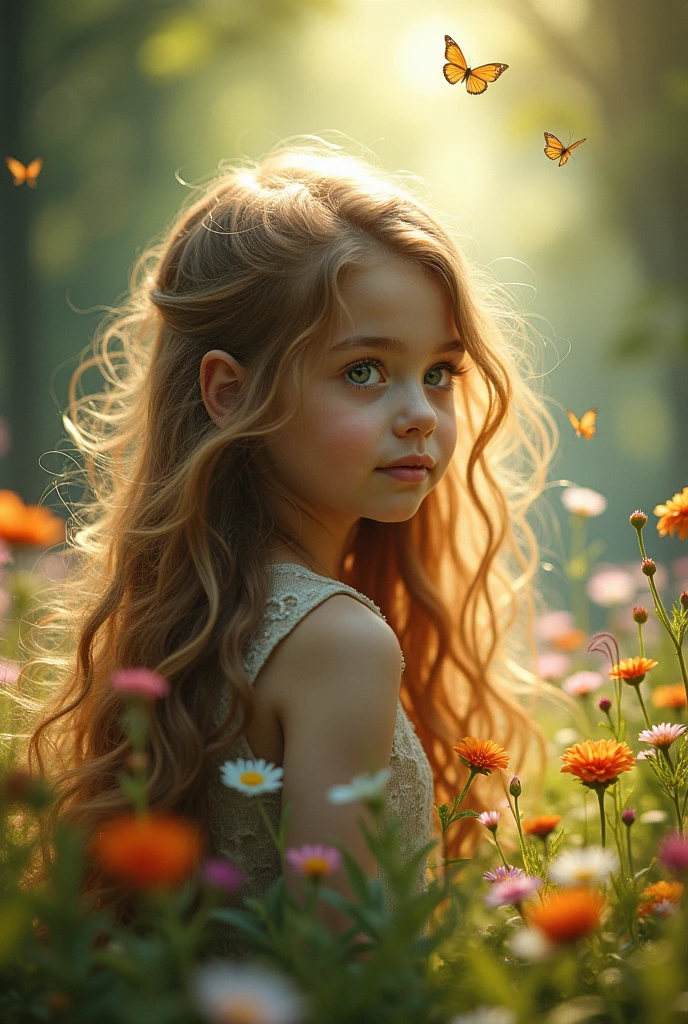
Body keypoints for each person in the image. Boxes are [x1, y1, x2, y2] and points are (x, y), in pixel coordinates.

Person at [22, 137, 556, 956]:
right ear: (230, 394)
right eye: (366, 371)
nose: (419, 411)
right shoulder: (339, 642)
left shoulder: (207, 617)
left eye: (441, 372)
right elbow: (344, 975)